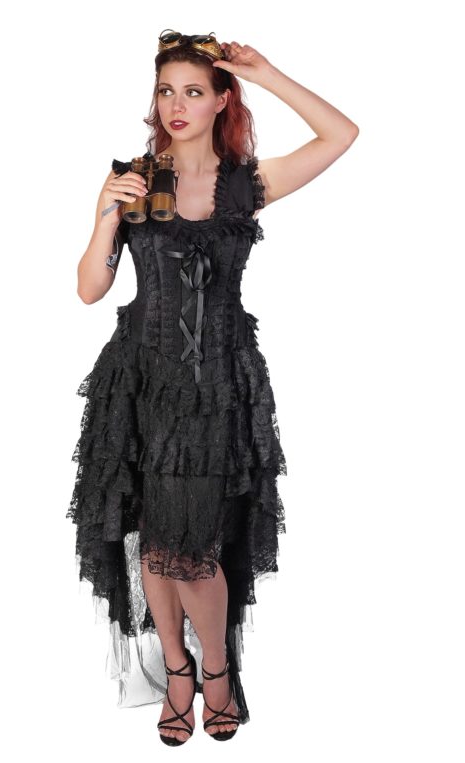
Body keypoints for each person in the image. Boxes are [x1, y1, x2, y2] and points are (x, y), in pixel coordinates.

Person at [67, 30, 359, 746]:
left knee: (191, 547)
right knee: (154, 543)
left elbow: (341, 134)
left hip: (217, 386)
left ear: (222, 100)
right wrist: (105, 211)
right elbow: (89, 288)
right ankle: (178, 671)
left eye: (194, 91)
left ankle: (217, 671)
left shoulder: (245, 185)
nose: (176, 104)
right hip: (140, 381)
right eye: (166, 90)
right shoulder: (134, 179)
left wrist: (266, 72)